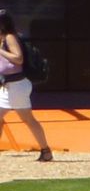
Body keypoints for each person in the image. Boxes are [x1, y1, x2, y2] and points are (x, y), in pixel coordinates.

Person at [0, 9, 54, 161]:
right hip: (7, 86)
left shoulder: (10, 37)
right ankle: (46, 151)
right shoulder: (3, 38)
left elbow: (18, 58)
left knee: (28, 119)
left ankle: (45, 150)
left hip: (17, 86)